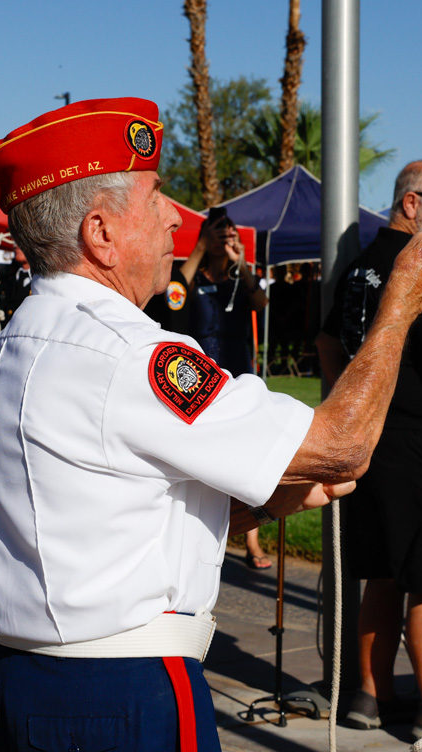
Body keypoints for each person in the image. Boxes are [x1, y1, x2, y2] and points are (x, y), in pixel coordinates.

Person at [0, 97, 422, 752]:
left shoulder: (13, 346)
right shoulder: (133, 356)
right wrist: (404, 296)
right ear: (101, 233)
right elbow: (341, 448)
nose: (174, 217)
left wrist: (271, 499)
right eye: (152, 200)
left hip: (15, 681)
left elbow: (107, 522)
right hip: (119, 693)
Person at [316, 160, 422, 740]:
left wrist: (348, 405)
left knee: (380, 573)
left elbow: (327, 340)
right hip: (420, 445)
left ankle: (368, 695)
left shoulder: (361, 265)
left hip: (371, 445)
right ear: (411, 203)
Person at [180, 214, 273, 568]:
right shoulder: (193, 274)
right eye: (219, 232)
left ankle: (252, 540)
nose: (225, 238)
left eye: (229, 232)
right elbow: (175, 295)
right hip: (200, 372)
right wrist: (201, 248)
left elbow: (262, 305)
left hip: (238, 369)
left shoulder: (240, 280)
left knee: (248, 452)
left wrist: (242, 264)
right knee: (203, 453)